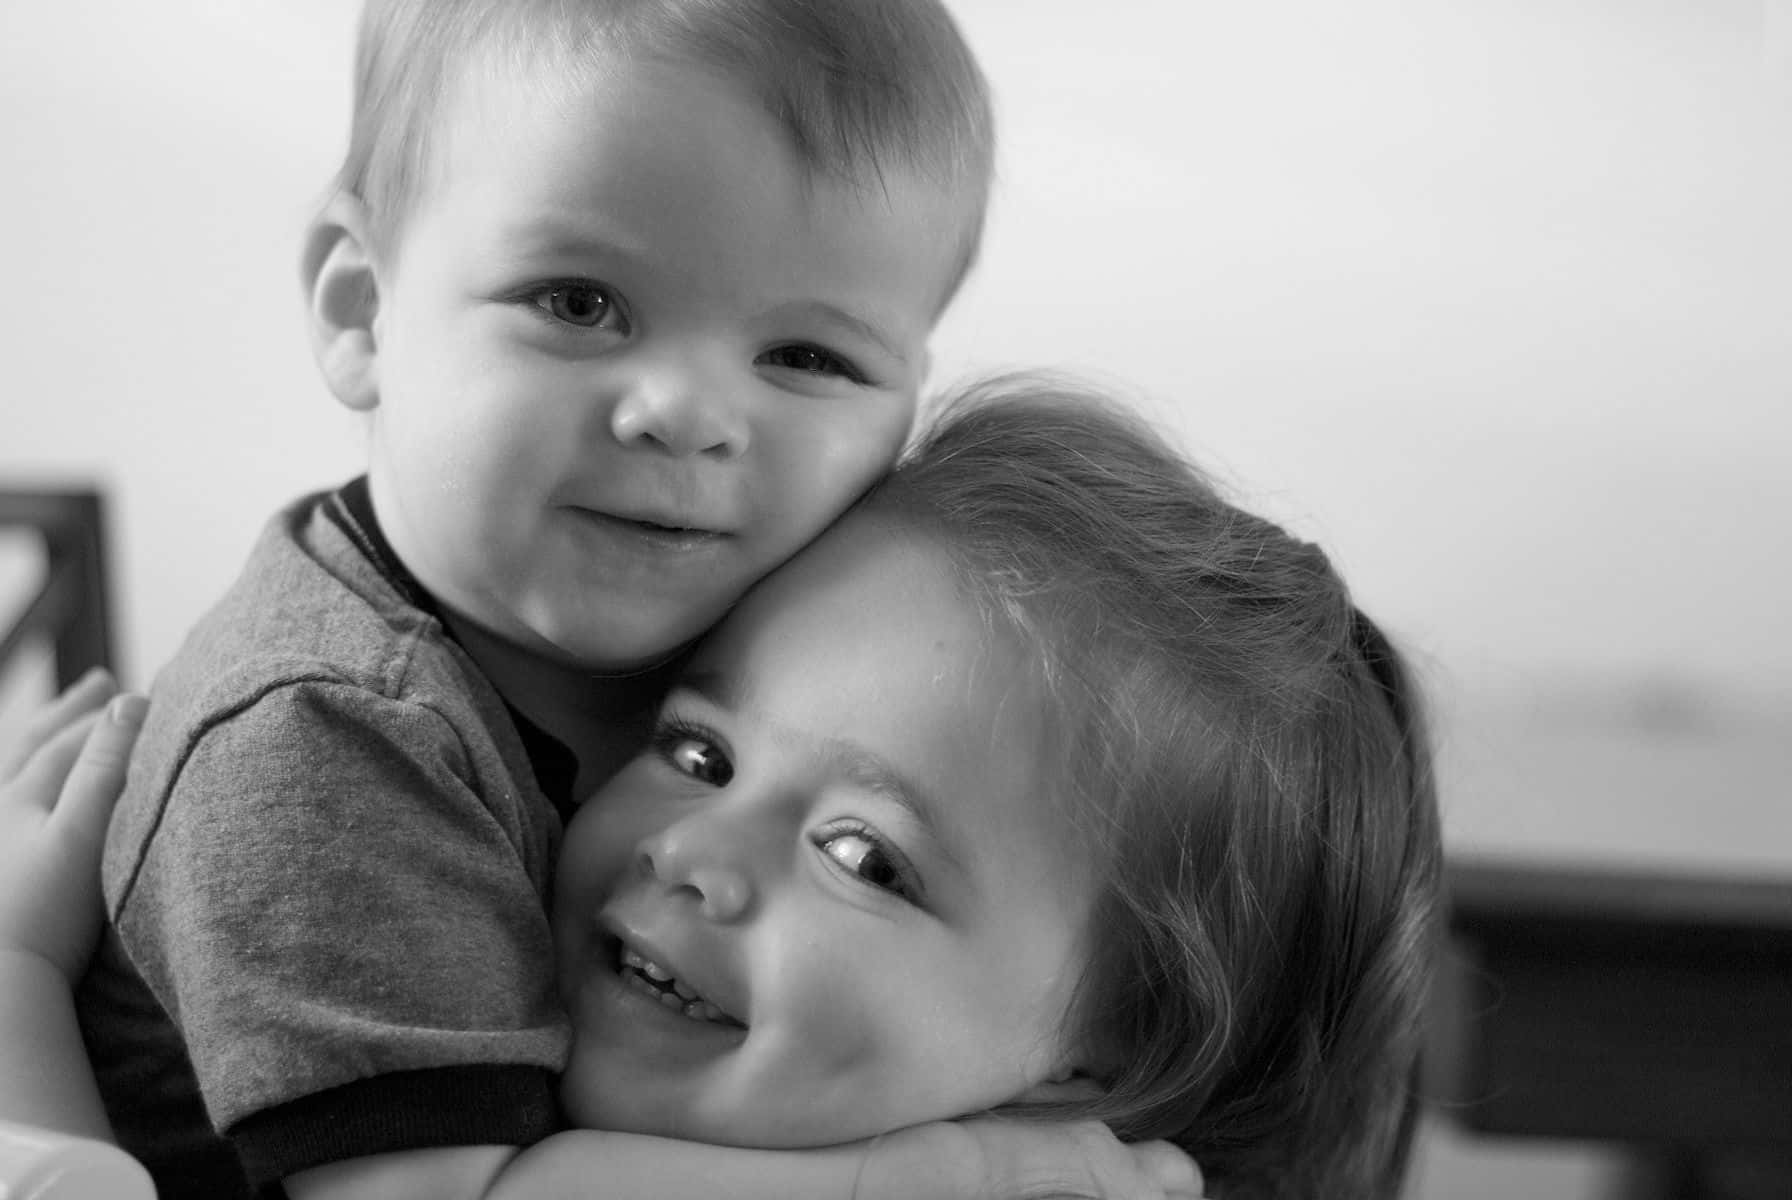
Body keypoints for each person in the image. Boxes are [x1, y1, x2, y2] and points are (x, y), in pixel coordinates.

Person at [11, 376, 1442, 1200]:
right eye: (698, 752)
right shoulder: (455, 1004)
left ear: (1091, 1064)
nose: (693, 849)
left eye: (864, 857)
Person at [69, 0, 1020, 1196]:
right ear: (362, 308)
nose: (687, 413)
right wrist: (954, 1170)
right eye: (579, 303)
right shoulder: (326, 733)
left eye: (806, 359)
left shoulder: (757, 629)